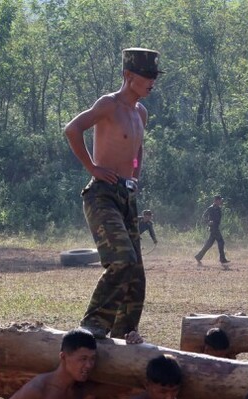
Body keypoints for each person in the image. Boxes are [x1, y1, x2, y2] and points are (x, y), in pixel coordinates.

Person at [65, 48, 162, 343]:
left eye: (154, 76)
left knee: (136, 273)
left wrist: (135, 175)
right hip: (101, 194)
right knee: (121, 259)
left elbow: (137, 148)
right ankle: (92, 327)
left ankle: (124, 334)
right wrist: (92, 167)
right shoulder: (109, 104)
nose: (151, 82)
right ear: (128, 75)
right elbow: (72, 129)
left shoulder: (141, 113)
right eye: (146, 76)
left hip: (126, 195)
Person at [195, 195, 230, 265]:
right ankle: (222, 259)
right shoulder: (211, 208)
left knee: (208, 244)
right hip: (213, 228)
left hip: (216, 227)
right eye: (220, 200)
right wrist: (208, 222)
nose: (221, 201)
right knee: (221, 242)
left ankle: (198, 257)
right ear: (216, 201)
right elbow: (204, 217)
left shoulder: (218, 208)